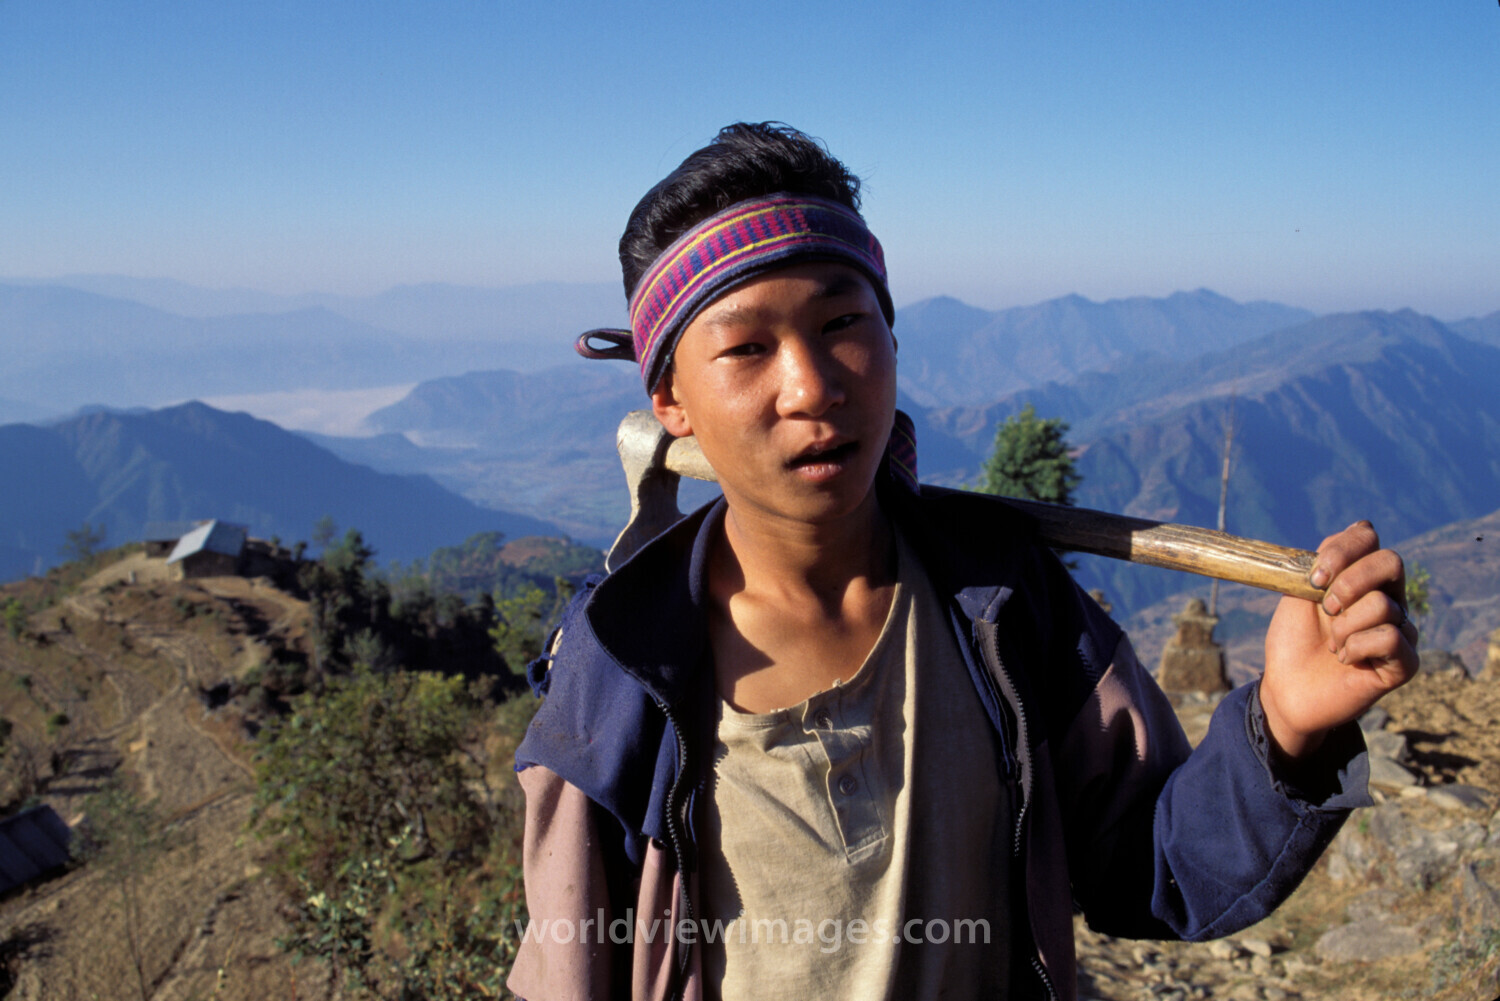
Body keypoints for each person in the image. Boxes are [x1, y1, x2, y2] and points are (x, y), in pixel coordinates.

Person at [507, 122, 1417, 1001]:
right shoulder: (624, 665)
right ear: (671, 398)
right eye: (747, 348)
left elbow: (1152, 867)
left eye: (841, 321)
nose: (814, 385)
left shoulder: (1003, 603)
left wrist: (1289, 728)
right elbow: (572, 967)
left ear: (891, 337)